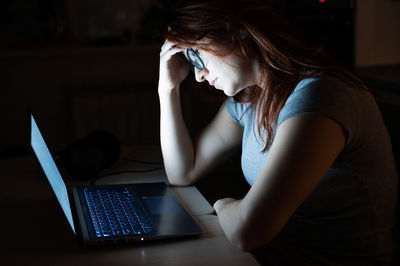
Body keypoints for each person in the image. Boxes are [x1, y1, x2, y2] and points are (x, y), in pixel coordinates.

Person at [157, 0, 398, 265]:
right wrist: (167, 90)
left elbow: (247, 230)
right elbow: (182, 172)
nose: (198, 75)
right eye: (189, 60)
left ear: (237, 31)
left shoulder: (320, 96)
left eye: (196, 54)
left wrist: (223, 204)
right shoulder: (250, 99)